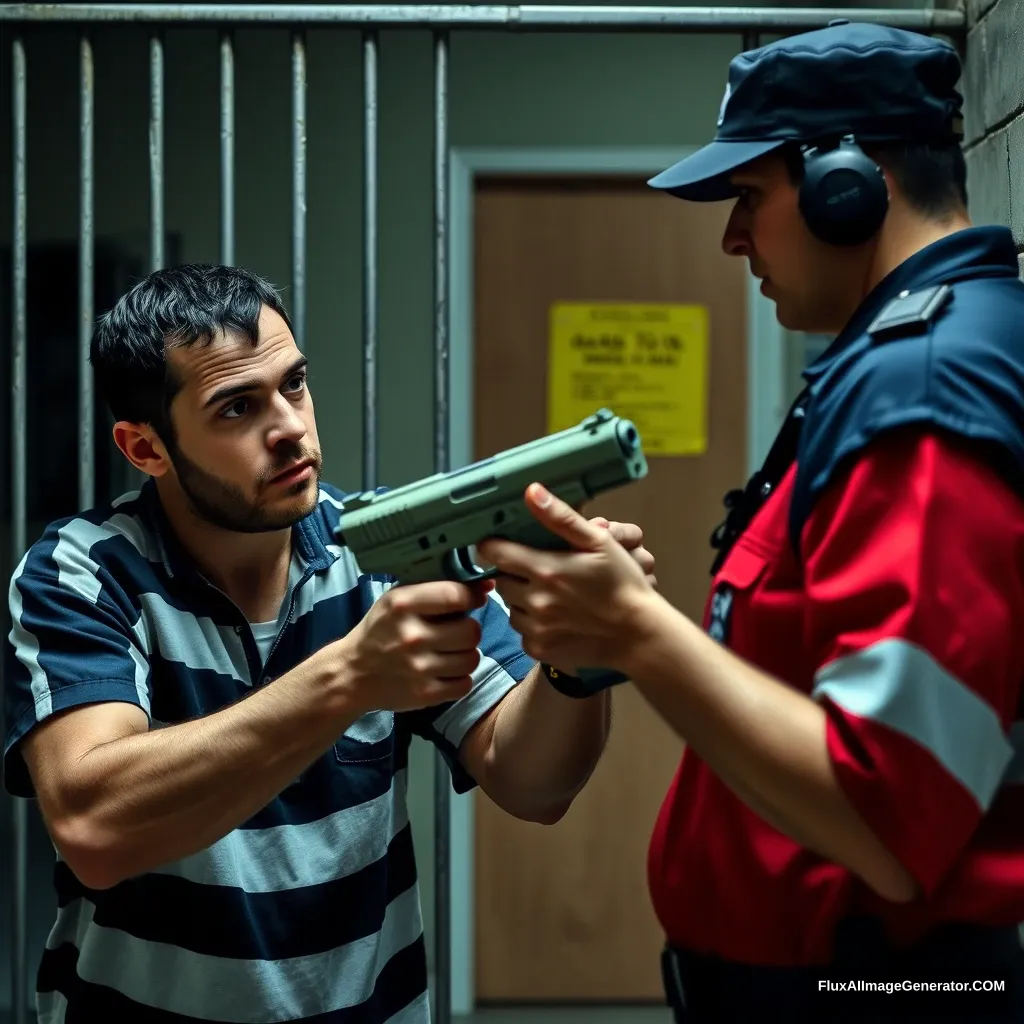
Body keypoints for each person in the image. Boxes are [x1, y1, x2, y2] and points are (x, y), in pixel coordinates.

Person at [478, 19, 1024, 1023]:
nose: (732, 238)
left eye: (746, 198)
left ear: (846, 185)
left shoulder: (923, 381)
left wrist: (637, 636)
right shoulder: (893, 362)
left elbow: (888, 812)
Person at [1, 264, 655, 1024]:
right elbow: (96, 828)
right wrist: (350, 675)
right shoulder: (83, 572)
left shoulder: (379, 552)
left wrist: (576, 660)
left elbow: (534, 784)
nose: (290, 428)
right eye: (237, 408)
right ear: (145, 448)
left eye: (295, 384)